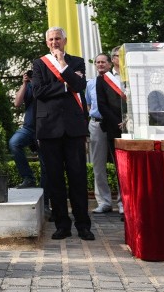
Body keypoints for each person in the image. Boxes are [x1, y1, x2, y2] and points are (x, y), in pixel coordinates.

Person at [32, 27, 93, 241]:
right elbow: (38, 91)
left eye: (58, 38)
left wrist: (64, 66)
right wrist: (66, 87)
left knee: (78, 178)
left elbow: (79, 85)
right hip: (49, 129)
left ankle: (83, 225)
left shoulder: (77, 62)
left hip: (74, 128)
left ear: (64, 40)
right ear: (46, 42)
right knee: (55, 180)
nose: (54, 42)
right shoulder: (39, 64)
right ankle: (62, 225)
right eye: (51, 39)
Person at [97, 47, 127, 220]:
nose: (120, 58)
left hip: (133, 126)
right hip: (114, 127)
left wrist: (129, 120)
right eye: (117, 56)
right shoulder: (104, 80)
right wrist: (118, 122)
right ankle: (123, 203)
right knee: (119, 166)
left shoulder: (131, 75)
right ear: (113, 60)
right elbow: (102, 106)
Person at [86, 53, 112, 214]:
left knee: (120, 164)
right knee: (98, 165)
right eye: (97, 62)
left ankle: (123, 202)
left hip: (115, 126)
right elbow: (88, 104)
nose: (100, 64)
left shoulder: (116, 82)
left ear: (109, 64)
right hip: (97, 124)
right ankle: (104, 201)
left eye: (103, 62)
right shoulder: (91, 83)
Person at [9, 70, 37, 189]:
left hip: (44, 129)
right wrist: (25, 84)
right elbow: (17, 103)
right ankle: (28, 178)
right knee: (14, 142)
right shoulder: (28, 86)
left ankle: (46, 197)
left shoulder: (46, 84)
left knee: (45, 162)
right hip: (28, 127)